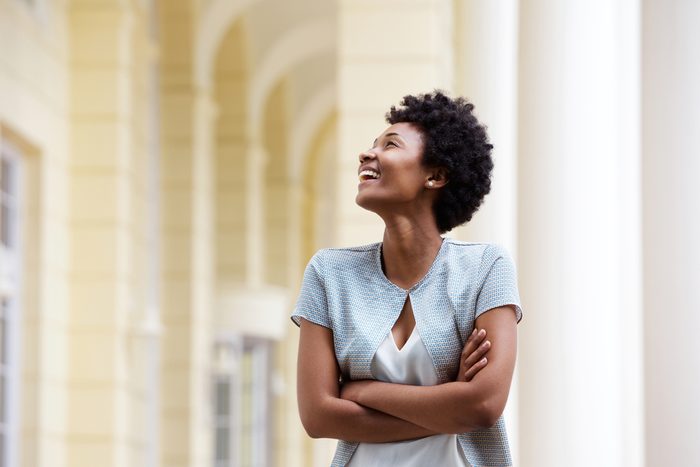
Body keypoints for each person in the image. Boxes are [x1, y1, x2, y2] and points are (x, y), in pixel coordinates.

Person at [291, 91, 523, 466]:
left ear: (435, 175)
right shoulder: (328, 273)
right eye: (370, 146)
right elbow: (318, 416)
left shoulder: (485, 267)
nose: (367, 155)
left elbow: (482, 405)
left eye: (390, 145)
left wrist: (361, 390)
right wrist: (448, 402)